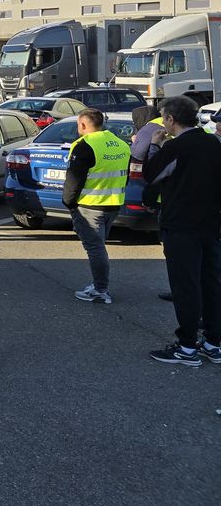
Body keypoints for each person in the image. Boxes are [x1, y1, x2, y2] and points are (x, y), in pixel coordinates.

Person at [143, 95, 221, 366]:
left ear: (170, 119)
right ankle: (213, 342)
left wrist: (155, 145)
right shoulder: (213, 143)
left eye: (164, 117)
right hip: (211, 223)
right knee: (211, 283)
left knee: (185, 285)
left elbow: (152, 174)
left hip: (181, 224)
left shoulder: (177, 147)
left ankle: (186, 347)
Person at [62, 109, 129, 305]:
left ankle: (100, 290)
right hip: (113, 204)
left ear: (83, 124)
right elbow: (124, 175)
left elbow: (74, 180)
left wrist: (69, 203)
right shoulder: (121, 144)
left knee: (95, 248)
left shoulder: (84, 145)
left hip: (90, 206)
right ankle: (99, 285)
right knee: (99, 247)